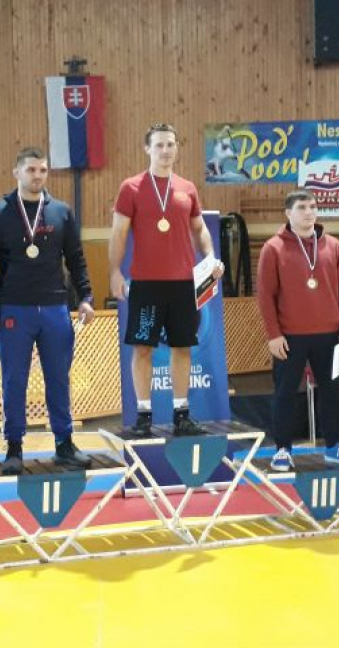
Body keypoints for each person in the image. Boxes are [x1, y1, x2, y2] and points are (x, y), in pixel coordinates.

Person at [0, 146, 94, 475]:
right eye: (30, 170)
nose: (37, 175)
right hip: (15, 309)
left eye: (42, 170)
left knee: (59, 378)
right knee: (14, 380)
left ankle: (64, 444)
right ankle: (14, 447)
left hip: (55, 308)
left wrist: (85, 297)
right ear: (17, 173)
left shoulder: (61, 212)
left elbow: (76, 259)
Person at [109, 122, 224, 438]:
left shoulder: (187, 188)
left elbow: (199, 229)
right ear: (147, 149)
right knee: (142, 349)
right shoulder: (131, 188)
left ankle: (181, 414)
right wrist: (115, 271)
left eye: (170, 144)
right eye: (159, 145)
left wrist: (210, 257)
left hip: (184, 285)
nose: (165, 150)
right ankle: (143, 415)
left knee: (182, 347)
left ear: (176, 148)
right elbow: (118, 233)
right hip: (146, 285)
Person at [256, 189, 339, 471]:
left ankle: (334, 446)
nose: (309, 212)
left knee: (333, 392)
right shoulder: (273, 248)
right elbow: (265, 295)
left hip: (331, 336)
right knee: (285, 393)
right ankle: (282, 450)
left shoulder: (334, 246)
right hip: (289, 338)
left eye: (313, 207)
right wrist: (273, 334)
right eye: (302, 207)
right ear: (288, 213)